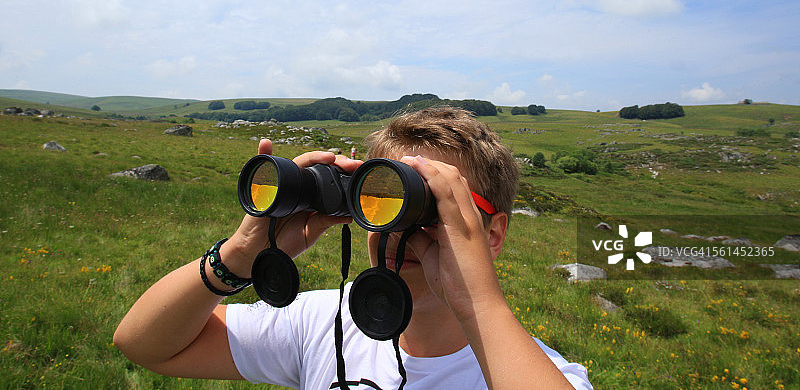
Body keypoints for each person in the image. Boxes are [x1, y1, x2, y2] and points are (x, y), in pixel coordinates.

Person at [114, 106, 592, 389]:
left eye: (432, 207)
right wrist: (239, 254)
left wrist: (478, 303)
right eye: (379, 197)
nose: (397, 229)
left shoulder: (545, 374)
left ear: (492, 234)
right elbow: (144, 344)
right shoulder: (322, 322)